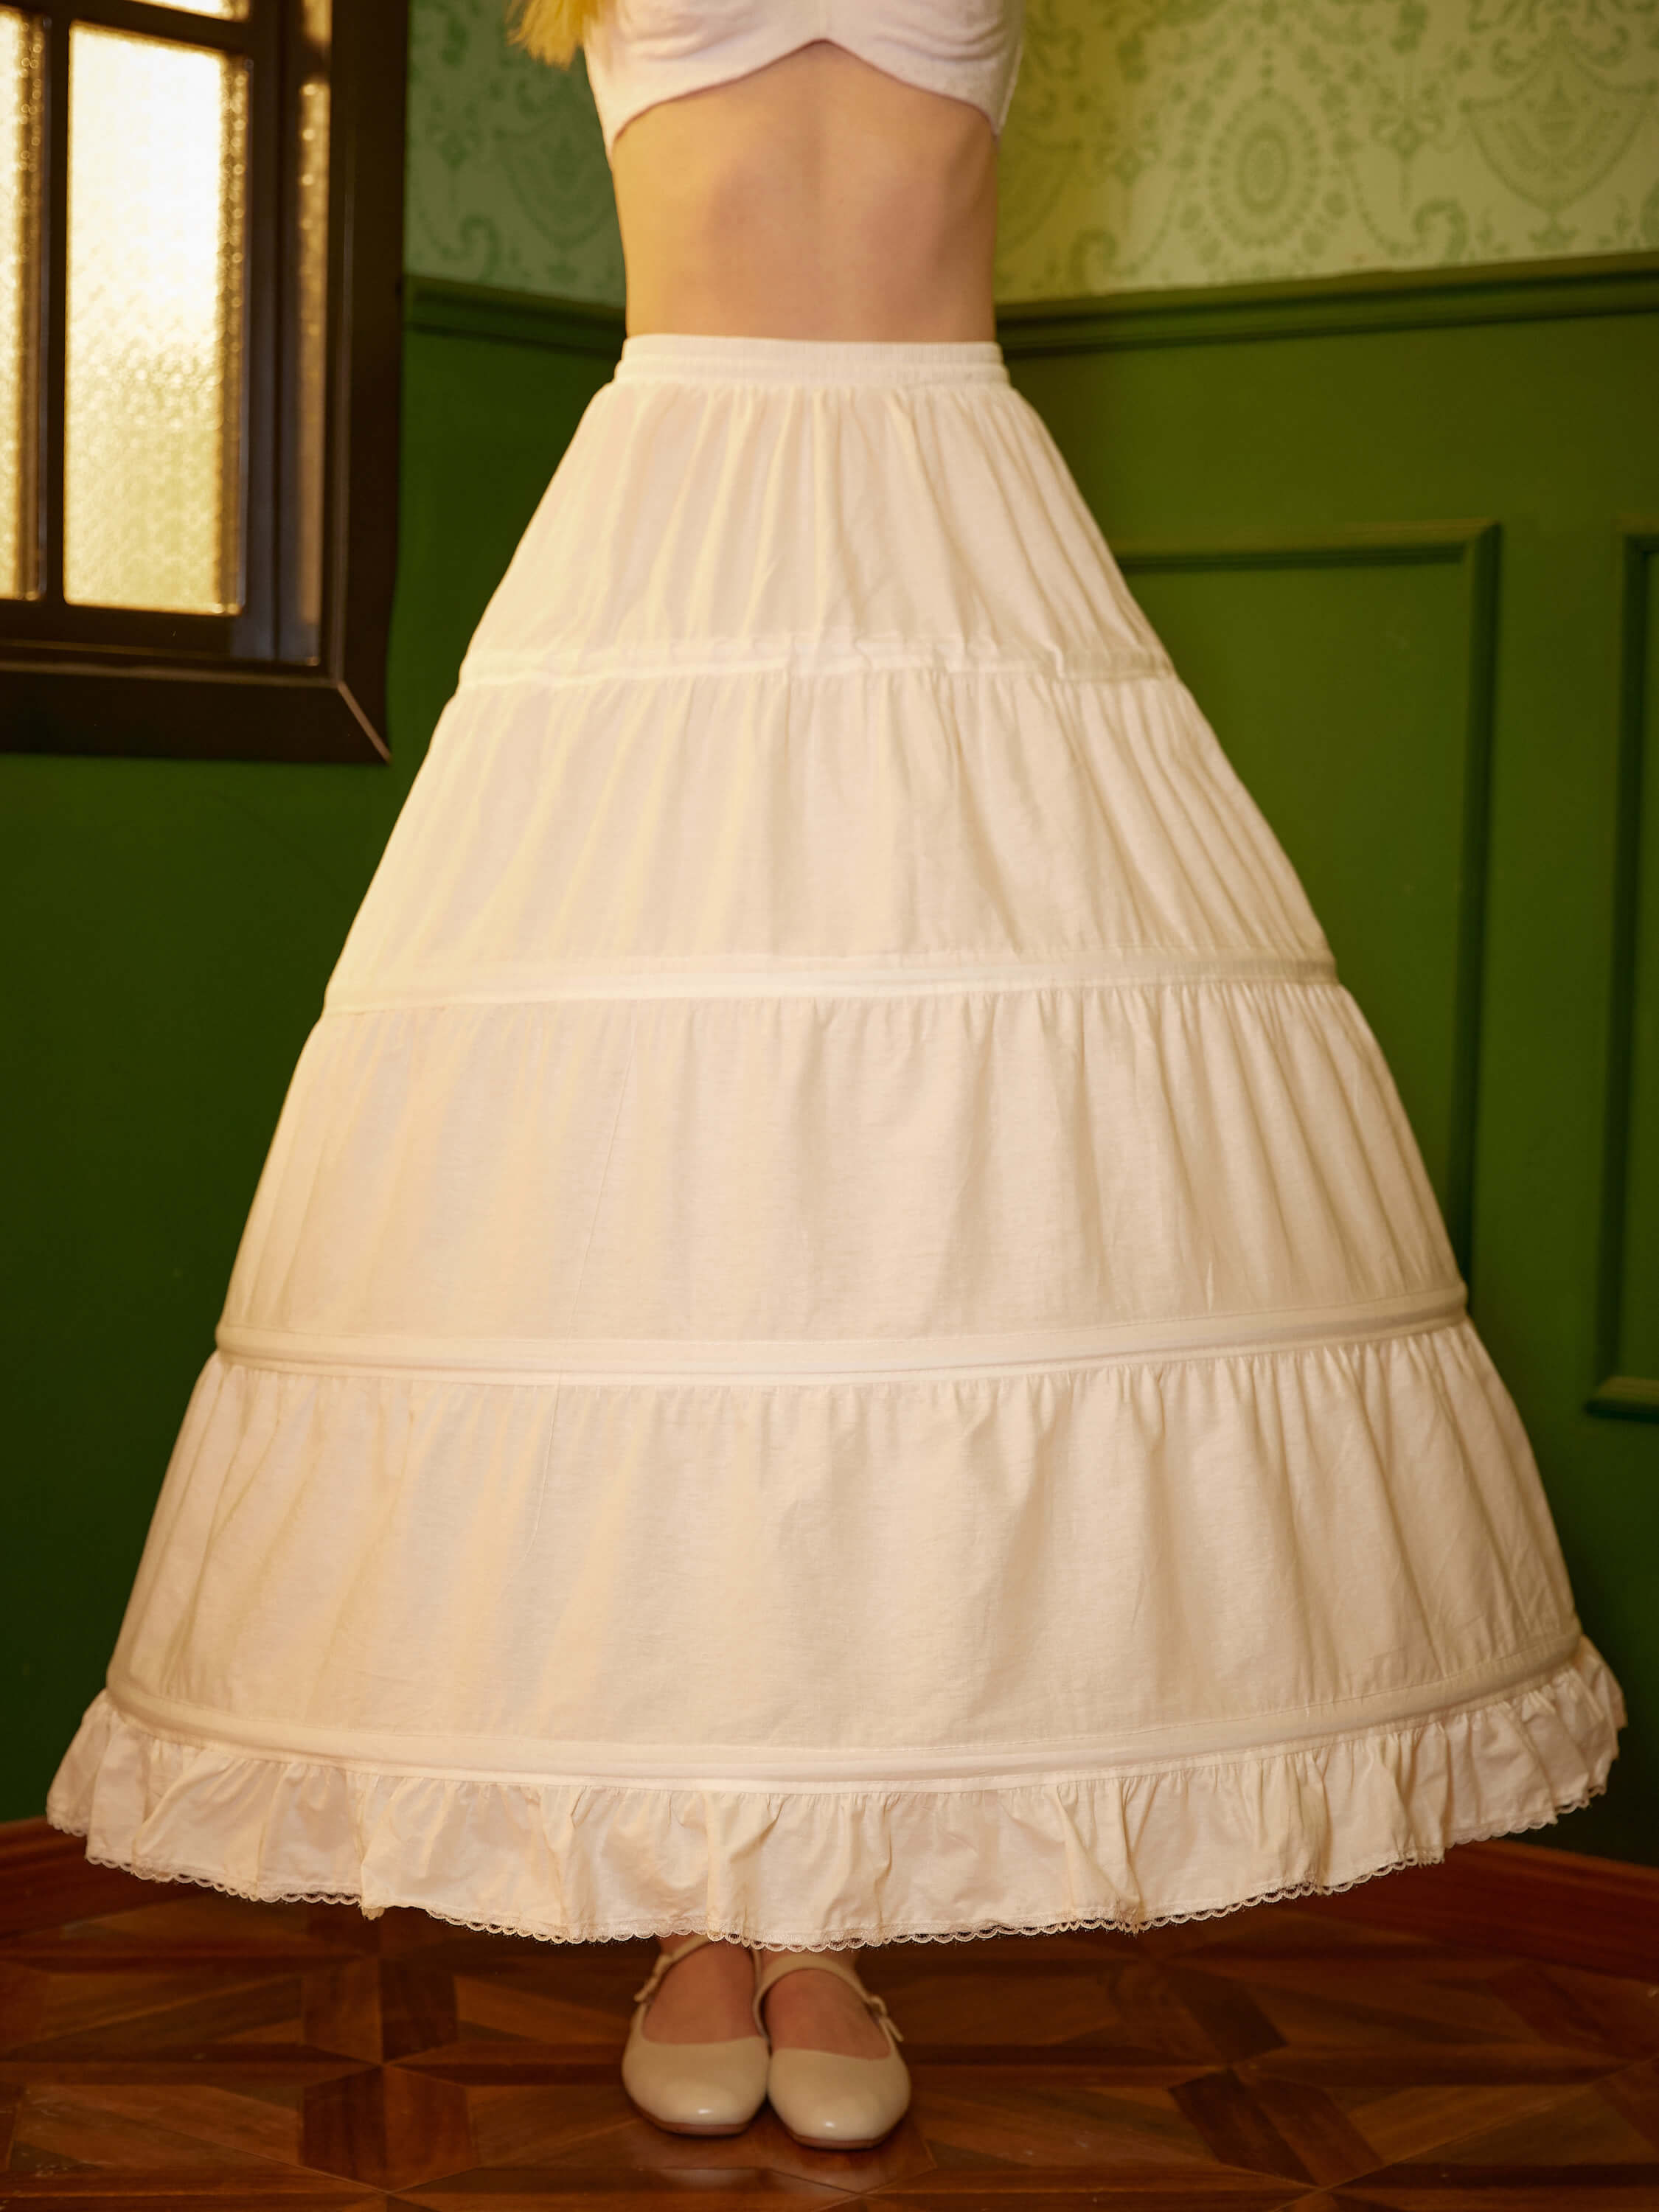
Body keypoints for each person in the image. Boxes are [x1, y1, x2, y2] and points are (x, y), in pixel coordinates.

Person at [47, 0, 1625, 2162]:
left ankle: (822, 1922)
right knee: (676, 1223)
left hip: (953, 529)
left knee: (926, 1231)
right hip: (669, 537)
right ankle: (709, 1914)